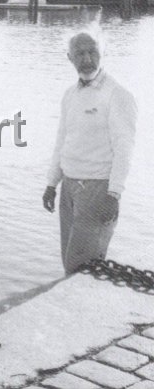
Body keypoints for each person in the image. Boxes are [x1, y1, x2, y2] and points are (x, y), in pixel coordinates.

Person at [43, 32, 137, 274]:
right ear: (69, 58)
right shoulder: (70, 95)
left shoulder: (118, 94)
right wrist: (52, 184)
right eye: (80, 53)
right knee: (68, 260)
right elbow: (61, 141)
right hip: (69, 188)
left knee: (82, 265)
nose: (87, 58)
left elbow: (124, 149)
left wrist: (114, 194)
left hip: (98, 189)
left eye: (92, 52)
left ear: (101, 54)